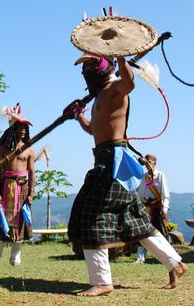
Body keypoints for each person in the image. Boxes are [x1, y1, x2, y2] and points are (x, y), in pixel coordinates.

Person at [66, 54, 187, 297]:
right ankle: (175, 263)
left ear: (100, 70)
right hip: (103, 162)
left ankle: (101, 281)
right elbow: (94, 128)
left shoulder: (117, 89)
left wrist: (121, 55)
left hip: (113, 164)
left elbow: (130, 83)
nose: (85, 73)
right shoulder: (101, 96)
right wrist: (79, 114)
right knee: (135, 221)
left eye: (89, 67)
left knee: (91, 216)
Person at [0, 104, 35, 266]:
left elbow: (32, 173)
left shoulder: (29, 149)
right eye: (20, 127)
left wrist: (31, 194)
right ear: (13, 129)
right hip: (5, 187)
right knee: (1, 224)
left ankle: (16, 259)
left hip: (22, 188)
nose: (23, 130)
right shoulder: (3, 148)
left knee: (19, 225)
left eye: (25, 128)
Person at [136, 154, 170, 263]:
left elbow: (165, 194)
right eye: (146, 162)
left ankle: (166, 257)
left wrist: (164, 209)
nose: (147, 164)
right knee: (142, 232)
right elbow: (140, 193)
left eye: (149, 162)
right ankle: (140, 258)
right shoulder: (143, 176)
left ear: (155, 162)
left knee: (161, 233)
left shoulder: (160, 176)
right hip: (145, 207)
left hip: (157, 208)